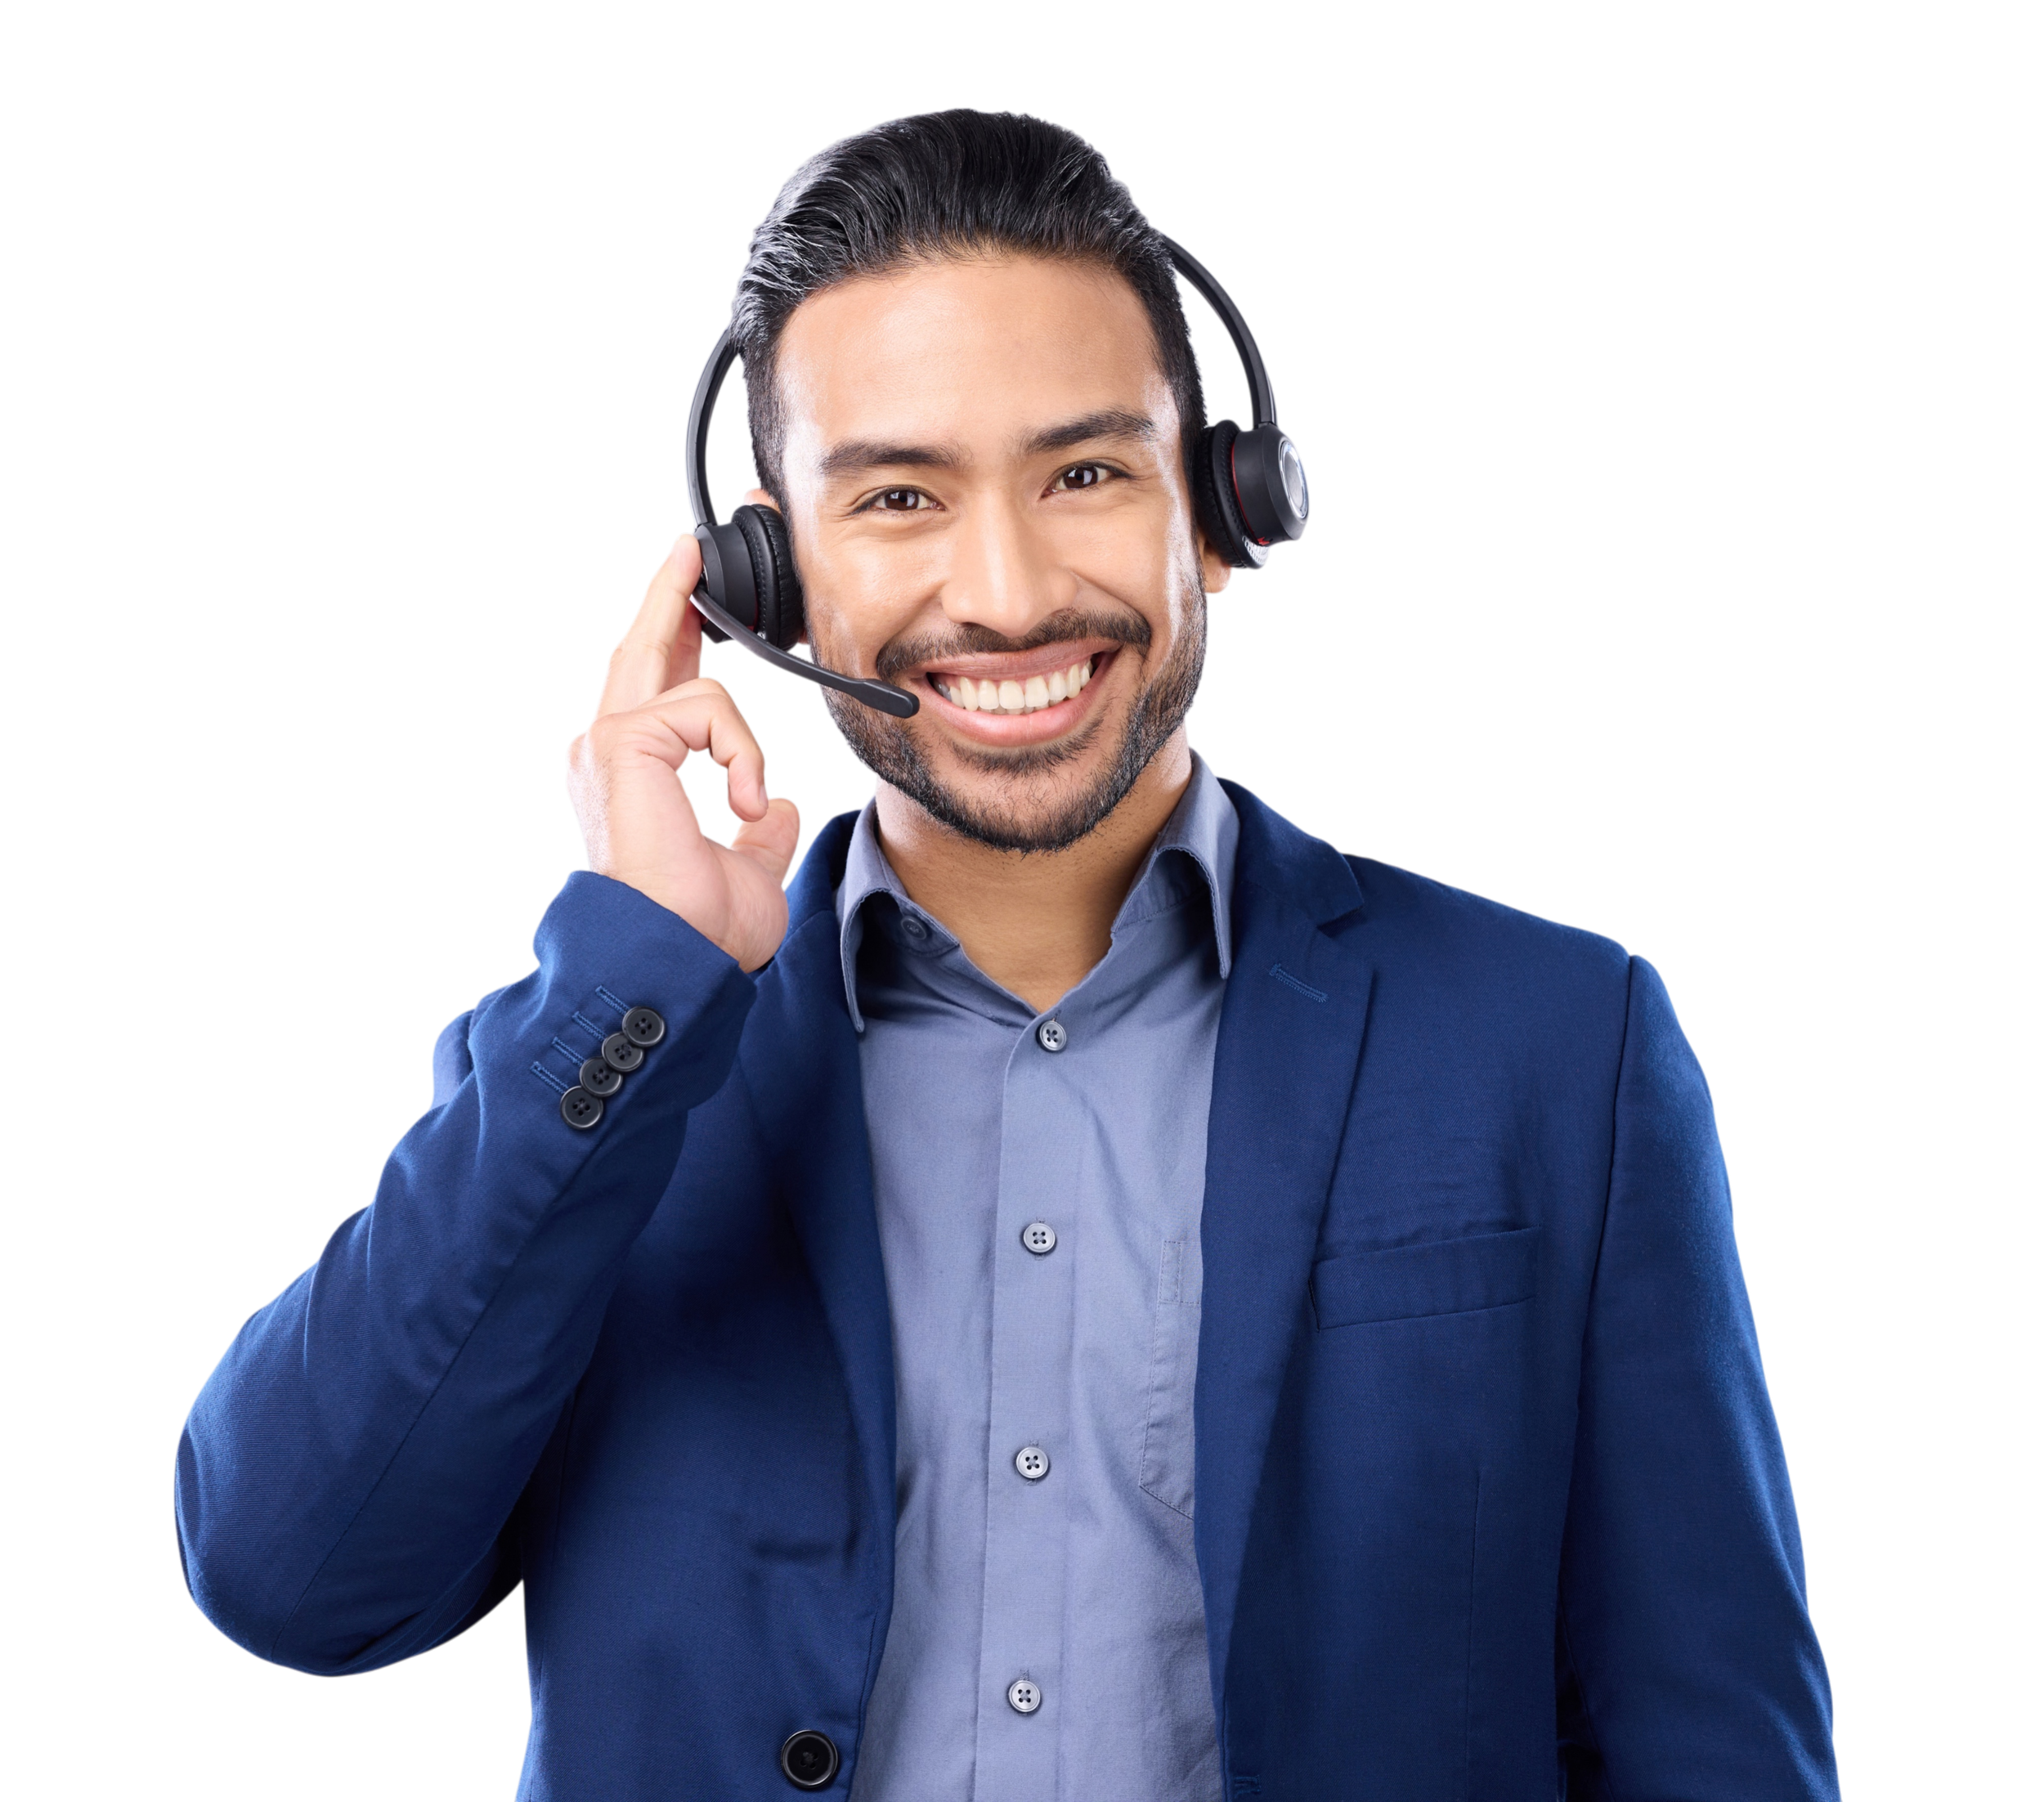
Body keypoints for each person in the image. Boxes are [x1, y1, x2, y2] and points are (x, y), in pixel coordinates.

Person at [173, 110, 1843, 1800]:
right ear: (770, 581)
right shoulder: (602, 1063)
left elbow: (1714, 1742)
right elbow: (296, 1584)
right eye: (899, 495)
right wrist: (636, 978)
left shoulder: (1556, 1048)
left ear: (1219, 511)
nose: (1007, 587)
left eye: (1084, 472)